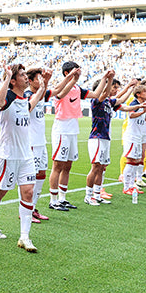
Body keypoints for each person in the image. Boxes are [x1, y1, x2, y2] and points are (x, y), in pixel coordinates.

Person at [0, 63, 49, 252]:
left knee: (28, 192)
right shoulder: (8, 100)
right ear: (13, 81)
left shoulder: (23, 101)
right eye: (21, 75)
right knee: (0, 192)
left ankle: (24, 237)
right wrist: (6, 78)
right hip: (8, 156)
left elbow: (36, 99)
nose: (26, 78)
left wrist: (44, 84)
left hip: (26, 156)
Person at [23, 65, 81, 221]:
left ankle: (33, 208)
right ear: (30, 81)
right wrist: (44, 86)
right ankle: (26, 212)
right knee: (31, 177)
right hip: (31, 142)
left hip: (41, 142)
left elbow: (57, 91)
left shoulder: (41, 93)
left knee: (41, 175)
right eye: (38, 78)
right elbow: (31, 105)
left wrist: (71, 78)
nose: (41, 81)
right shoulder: (27, 95)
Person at [85, 74, 138, 206]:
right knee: (95, 166)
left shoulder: (109, 102)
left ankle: (97, 194)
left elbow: (122, 99)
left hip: (105, 138)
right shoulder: (97, 100)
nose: (114, 90)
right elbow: (106, 93)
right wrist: (108, 80)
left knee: (102, 167)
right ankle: (88, 195)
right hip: (96, 137)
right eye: (112, 87)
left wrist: (131, 87)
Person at [48, 61, 93, 211]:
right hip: (61, 129)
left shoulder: (77, 88)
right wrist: (73, 78)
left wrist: (106, 80)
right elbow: (60, 94)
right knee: (58, 165)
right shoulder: (60, 87)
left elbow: (97, 95)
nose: (78, 73)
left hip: (73, 129)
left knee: (68, 165)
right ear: (67, 73)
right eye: (75, 70)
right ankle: (53, 200)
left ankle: (62, 198)